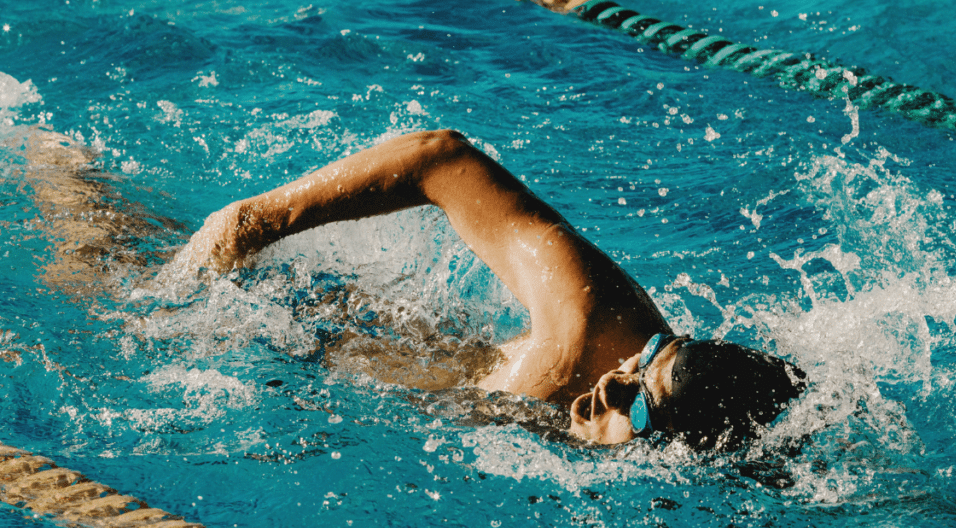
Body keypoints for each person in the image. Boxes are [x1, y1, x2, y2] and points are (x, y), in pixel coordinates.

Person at [173, 129, 806, 449]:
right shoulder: (588, 324)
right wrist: (258, 220)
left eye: (639, 403)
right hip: (288, 328)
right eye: (647, 360)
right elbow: (439, 156)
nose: (613, 381)